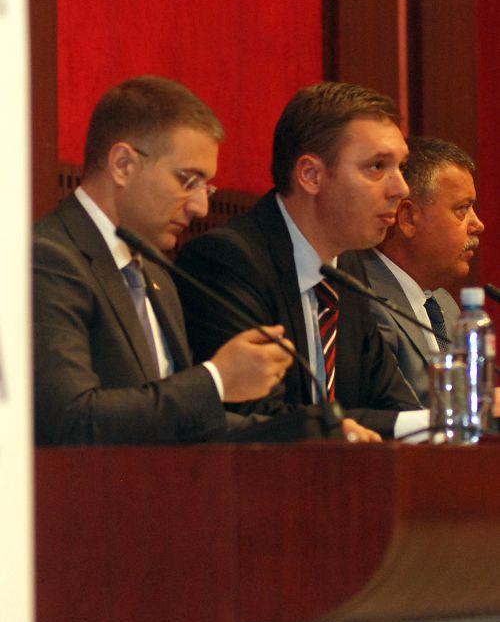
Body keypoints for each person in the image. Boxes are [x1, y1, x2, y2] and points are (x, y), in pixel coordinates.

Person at [33, 75, 298, 445]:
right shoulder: (48, 258)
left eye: (206, 187)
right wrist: (216, 380)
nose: (200, 207)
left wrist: (313, 434)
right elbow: (73, 420)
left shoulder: (156, 274)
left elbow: (181, 423)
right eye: (188, 180)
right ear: (122, 164)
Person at [175, 81, 427, 438]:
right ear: (310, 175)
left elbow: (390, 401)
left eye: (401, 166)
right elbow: (261, 417)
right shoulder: (227, 262)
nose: (401, 188)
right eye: (376, 166)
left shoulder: (347, 266)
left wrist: (455, 421)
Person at [359, 136, 485, 406]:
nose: (478, 224)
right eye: (462, 209)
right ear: (408, 218)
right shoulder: (363, 301)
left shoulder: (445, 305)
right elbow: (395, 413)